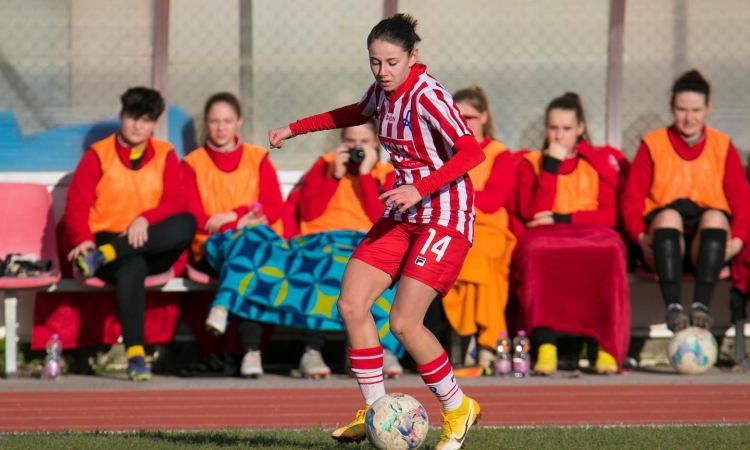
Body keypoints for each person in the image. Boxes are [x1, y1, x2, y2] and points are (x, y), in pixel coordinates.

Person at [268, 14, 485, 449]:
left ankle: (459, 407)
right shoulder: (384, 93)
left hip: (444, 214)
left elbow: (471, 152)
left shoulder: (430, 96)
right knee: (351, 303)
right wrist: (294, 128)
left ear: (413, 58)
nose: (382, 72)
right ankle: (375, 410)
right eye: (374, 63)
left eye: (391, 62)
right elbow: (355, 111)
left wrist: (419, 187)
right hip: (404, 213)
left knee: (404, 322)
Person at [64, 87, 196, 381]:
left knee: (186, 222)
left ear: (154, 124)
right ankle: (136, 355)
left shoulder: (166, 154)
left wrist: (144, 219)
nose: (138, 126)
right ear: (121, 117)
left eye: (146, 120)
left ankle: (107, 255)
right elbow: (76, 204)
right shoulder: (97, 155)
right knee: (132, 265)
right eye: (132, 117)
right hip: (105, 241)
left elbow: (176, 202)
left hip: (147, 244)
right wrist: (82, 239)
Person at [621, 70, 750, 333]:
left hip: (709, 246)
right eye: (681, 109)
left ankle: (701, 306)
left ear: (708, 109)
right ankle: (674, 310)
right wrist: (639, 235)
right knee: (669, 216)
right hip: (663, 245)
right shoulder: (652, 145)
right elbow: (631, 198)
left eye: (696, 110)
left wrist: (737, 238)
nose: (689, 118)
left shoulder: (722, 146)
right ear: (671, 108)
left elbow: (742, 201)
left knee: (715, 217)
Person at [514, 92, 629, 375]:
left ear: (580, 128)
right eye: (553, 128)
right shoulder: (532, 163)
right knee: (538, 252)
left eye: (566, 129)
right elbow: (533, 213)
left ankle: (604, 345)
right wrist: (551, 167)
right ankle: (546, 344)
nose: (559, 136)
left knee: (611, 251)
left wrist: (562, 217)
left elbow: (609, 214)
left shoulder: (599, 161)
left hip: (592, 232)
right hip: (547, 236)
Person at [182, 92, 284, 378]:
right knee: (247, 259)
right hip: (212, 247)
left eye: (227, 121)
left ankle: (224, 309)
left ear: (238, 122)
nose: (221, 127)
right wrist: (237, 224)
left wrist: (234, 215)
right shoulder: (192, 163)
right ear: (206, 123)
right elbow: (192, 216)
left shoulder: (258, 157)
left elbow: (273, 207)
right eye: (214, 121)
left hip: (254, 242)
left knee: (248, 256)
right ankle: (252, 352)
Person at [297, 118, 404, 378]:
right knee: (323, 271)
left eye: (364, 142)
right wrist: (334, 175)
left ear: (376, 143)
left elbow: (382, 216)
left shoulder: (386, 172)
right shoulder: (325, 165)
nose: (357, 148)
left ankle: (379, 347)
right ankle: (312, 350)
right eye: (350, 142)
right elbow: (309, 212)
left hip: (366, 241)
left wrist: (366, 174)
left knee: (379, 273)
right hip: (324, 240)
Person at [442, 86, 516, 375]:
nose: (465, 123)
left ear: (484, 117)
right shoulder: (445, 152)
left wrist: (457, 197)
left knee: (479, 259)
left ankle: (478, 340)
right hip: (453, 226)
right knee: (466, 258)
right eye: (458, 117)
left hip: (490, 231)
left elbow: (495, 199)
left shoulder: (499, 154)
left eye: (470, 117)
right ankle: (486, 342)